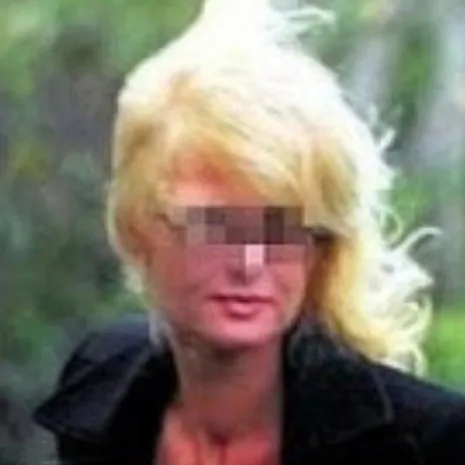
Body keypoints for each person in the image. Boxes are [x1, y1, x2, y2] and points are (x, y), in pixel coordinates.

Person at [34, 0, 465, 464]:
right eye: (214, 226)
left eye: (280, 229)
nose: (249, 264)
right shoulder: (101, 387)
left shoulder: (430, 441)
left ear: (318, 250)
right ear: (137, 227)